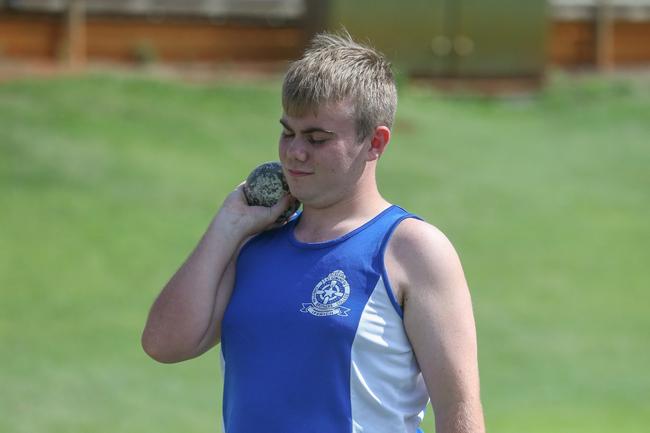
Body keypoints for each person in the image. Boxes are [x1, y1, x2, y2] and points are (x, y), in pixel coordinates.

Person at [142, 31, 485, 433]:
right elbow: (163, 344)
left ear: (375, 142)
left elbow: (459, 410)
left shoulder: (412, 250)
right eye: (288, 132)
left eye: (317, 138)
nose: (294, 152)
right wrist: (226, 228)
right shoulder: (253, 243)